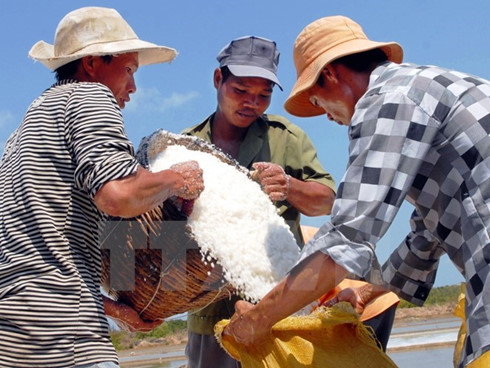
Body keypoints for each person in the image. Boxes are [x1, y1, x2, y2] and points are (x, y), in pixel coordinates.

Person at [224, 15, 490, 368]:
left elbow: (348, 236)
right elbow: (429, 233)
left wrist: (258, 320)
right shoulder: (433, 86)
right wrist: (367, 290)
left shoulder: (387, 99)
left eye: (317, 102)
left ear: (331, 73)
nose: (328, 118)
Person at [0, 7, 204, 368]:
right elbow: (119, 195)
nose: (133, 87)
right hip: (67, 333)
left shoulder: (23, 133)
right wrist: (177, 179)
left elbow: (33, 259)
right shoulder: (89, 97)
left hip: (13, 334)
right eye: (128, 70)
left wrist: (115, 311)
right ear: (92, 64)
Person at [182, 35, 397, 367]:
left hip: (277, 309)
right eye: (240, 91)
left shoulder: (287, 138)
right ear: (217, 80)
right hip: (209, 316)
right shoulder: (185, 148)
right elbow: (162, 228)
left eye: (263, 96)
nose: (251, 103)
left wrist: (289, 185)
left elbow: (328, 201)